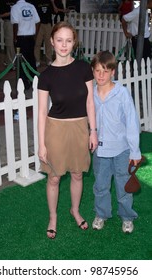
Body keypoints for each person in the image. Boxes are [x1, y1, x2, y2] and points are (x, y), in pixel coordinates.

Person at [38, 21, 98, 239]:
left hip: (80, 127)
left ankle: (75, 210)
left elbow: (91, 102)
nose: (64, 45)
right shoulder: (46, 76)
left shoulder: (83, 68)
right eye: (60, 40)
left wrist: (93, 130)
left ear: (74, 43)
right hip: (55, 129)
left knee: (77, 174)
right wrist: (41, 143)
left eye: (69, 40)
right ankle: (53, 216)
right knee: (53, 178)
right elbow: (42, 111)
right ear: (52, 42)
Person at [91, 51, 142, 234]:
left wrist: (134, 151)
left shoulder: (121, 93)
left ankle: (127, 217)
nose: (101, 75)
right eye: (97, 71)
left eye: (105, 71)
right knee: (100, 185)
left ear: (113, 72)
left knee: (123, 185)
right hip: (100, 151)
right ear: (93, 72)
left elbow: (131, 122)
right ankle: (102, 213)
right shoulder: (90, 94)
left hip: (121, 150)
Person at [10, 0, 40, 89]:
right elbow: (38, 21)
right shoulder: (31, 6)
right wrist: (35, 35)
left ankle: (23, 83)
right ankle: (34, 80)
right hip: (31, 37)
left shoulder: (15, 7)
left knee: (21, 61)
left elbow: (15, 24)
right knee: (31, 60)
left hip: (21, 37)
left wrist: (15, 38)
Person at [34, 0, 54, 67]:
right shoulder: (36, 2)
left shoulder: (49, 1)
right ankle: (37, 60)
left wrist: (52, 2)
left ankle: (49, 60)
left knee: (48, 43)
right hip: (39, 24)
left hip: (48, 23)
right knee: (37, 43)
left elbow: (55, 11)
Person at [0, 0, 16, 67]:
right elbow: (1, 15)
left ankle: (15, 60)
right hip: (9, 22)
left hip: (17, 23)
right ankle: (11, 62)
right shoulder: (3, 2)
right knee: (9, 42)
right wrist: (11, 12)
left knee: (16, 43)